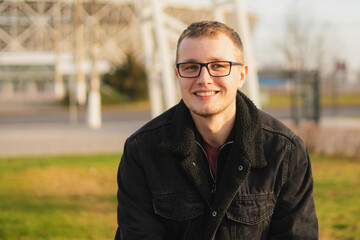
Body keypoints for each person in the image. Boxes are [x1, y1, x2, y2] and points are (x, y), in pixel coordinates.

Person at [115, 21, 318, 240]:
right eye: (191, 67)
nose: (204, 79)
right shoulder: (142, 151)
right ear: (177, 75)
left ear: (241, 75)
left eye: (218, 66)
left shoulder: (284, 151)